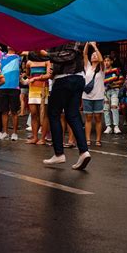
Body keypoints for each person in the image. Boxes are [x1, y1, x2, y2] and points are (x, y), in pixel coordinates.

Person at [29, 42, 91, 170]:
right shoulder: (58, 36)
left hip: (65, 79)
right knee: (72, 115)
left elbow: (69, 55)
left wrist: (46, 54)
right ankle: (84, 152)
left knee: (53, 113)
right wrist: (32, 51)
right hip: (76, 79)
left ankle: (59, 153)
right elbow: (43, 56)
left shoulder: (71, 34)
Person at [0, 42, 22, 141]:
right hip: (2, 87)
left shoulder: (18, 56)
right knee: (4, 111)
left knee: (14, 112)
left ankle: (15, 133)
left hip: (14, 88)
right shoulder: (1, 55)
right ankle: (5, 132)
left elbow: (24, 46)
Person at [82, 42, 105, 147]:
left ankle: (98, 140)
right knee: (88, 118)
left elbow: (101, 60)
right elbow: (85, 54)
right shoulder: (87, 67)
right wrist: (87, 43)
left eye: (96, 54)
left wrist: (95, 47)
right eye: (93, 55)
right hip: (86, 96)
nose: (94, 55)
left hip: (99, 96)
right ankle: (87, 139)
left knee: (98, 118)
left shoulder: (101, 68)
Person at [25, 56, 51, 144]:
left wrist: (36, 78)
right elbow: (28, 74)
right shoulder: (29, 62)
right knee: (33, 113)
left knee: (44, 114)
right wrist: (30, 79)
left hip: (43, 89)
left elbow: (49, 75)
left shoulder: (47, 61)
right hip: (32, 90)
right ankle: (35, 137)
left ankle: (43, 138)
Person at [103, 55, 124, 134]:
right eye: (105, 61)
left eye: (108, 60)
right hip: (105, 91)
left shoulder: (116, 70)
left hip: (115, 90)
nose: (106, 62)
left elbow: (122, 80)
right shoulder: (102, 71)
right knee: (106, 109)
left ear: (111, 61)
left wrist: (113, 83)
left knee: (114, 107)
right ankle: (108, 126)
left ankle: (116, 126)